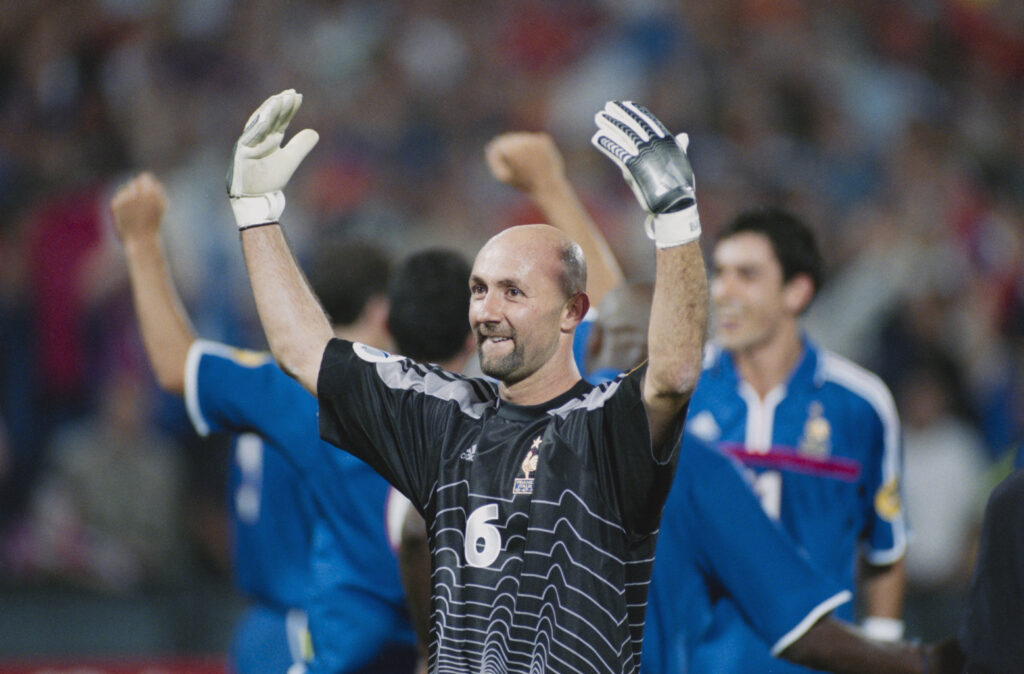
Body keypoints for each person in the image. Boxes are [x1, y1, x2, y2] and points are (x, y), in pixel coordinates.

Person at [226, 90, 708, 672]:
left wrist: (676, 222)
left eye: (513, 291)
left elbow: (674, 374)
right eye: (479, 289)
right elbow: (303, 351)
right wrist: (256, 212)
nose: (486, 310)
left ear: (572, 312)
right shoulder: (444, 417)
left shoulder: (607, 424)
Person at [109, 173, 418, 674]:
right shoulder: (374, 397)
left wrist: (142, 244)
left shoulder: (267, 381)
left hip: (263, 629)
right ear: (382, 311)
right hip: (329, 633)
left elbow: (175, 365)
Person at [584, 282, 944, 673]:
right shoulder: (699, 467)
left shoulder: (516, 428)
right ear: (691, 362)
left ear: (594, 340)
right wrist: (926, 661)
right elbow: (802, 633)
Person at [683, 206, 910, 668]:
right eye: (719, 273)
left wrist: (881, 653)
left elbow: (885, 548)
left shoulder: (861, 405)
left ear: (797, 291)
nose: (722, 291)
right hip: (697, 661)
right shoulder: (681, 392)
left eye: (746, 275)